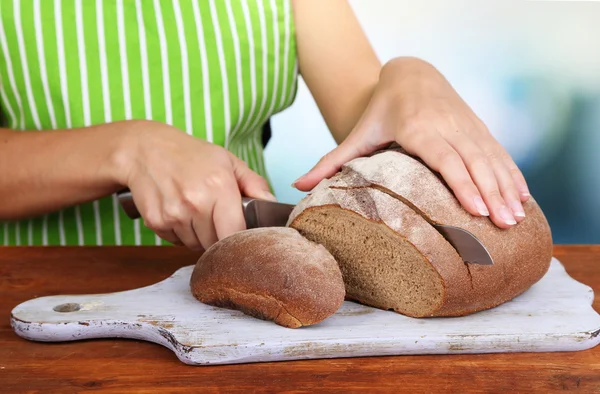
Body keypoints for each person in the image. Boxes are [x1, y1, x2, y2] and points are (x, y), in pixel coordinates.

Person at [0, 0, 530, 250]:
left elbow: (370, 120)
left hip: (242, 300)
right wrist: (126, 149)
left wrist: (411, 77)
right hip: (28, 303)